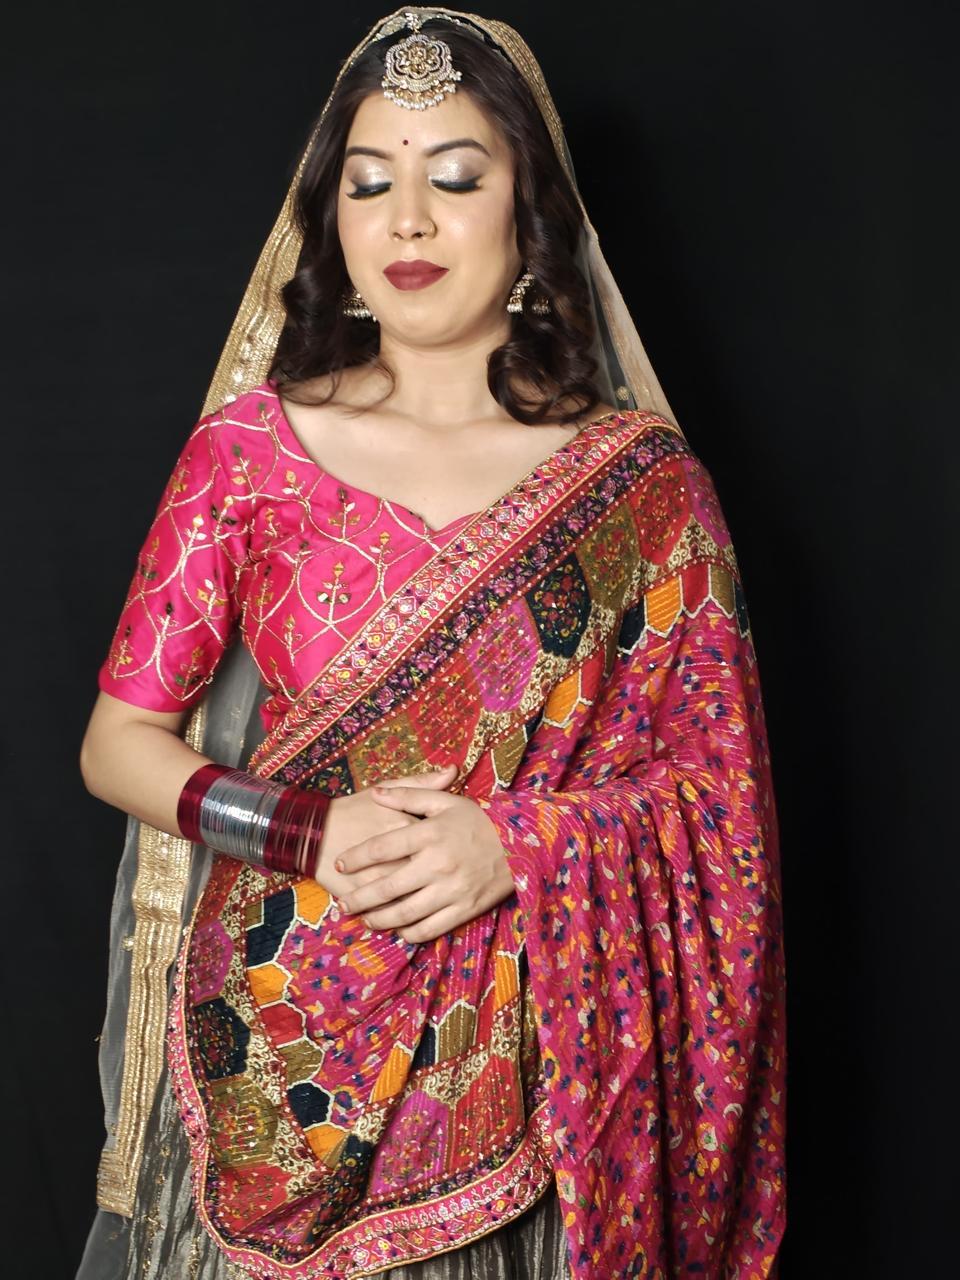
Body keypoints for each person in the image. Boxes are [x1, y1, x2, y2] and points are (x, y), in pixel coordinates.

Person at [75, 8, 787, 1279]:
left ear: (531, 213)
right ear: (331, 221)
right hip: (276, 1061)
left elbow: (720, 807)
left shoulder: (640, 492)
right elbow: (118, 744)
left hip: (530, 1078)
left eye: (455, 177)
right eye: (369, 183)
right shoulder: (248, 455)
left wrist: (516, 843)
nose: (407, 220)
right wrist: (306, 830)